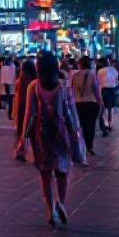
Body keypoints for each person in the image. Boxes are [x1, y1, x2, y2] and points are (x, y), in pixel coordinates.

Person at [24, 52, 85, 227]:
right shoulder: (64, 87)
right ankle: (61, 202)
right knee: (62, 171)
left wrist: (24, 137)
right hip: (61, 134)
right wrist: (76, 134)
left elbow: (30, 114)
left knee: (45, 173)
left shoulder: (34, 87)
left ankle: (50, 210)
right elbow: (72, 115)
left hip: (41, 134)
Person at [69, 55, 100, 156]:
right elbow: (95, 89)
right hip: (91, 102)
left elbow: (72, 91)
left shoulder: (74, 75)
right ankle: (89, 147)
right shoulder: (92, 74)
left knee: (81, 125)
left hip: (78, 103)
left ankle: (81, 146)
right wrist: (100, 101)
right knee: (90, 126)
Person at [12, 57, 39, 161]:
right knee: (33, 133)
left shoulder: (20, 81)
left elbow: (17, 98)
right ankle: (34, 154)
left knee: (22, 131)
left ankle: (21, 150)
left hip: (21, 109)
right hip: (33, 110)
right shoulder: (35, 82)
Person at [96, 56, 119, 136]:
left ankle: (105, 126)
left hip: (104, 90)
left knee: (104, 109)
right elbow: (117, 78)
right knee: (110, 108)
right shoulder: (112, 69)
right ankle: (109, 124)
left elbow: (98, 84)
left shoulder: (99, 71)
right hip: (112, 89)